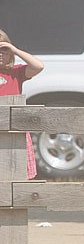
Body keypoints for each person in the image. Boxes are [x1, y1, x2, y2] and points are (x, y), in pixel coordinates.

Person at [0, 29, 45, 179]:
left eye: (4, 50)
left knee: (17, 172)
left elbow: (38, 66)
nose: (0, 54)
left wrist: (14, 50)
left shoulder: (16, 72)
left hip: (15, 130)